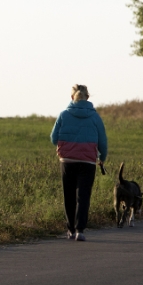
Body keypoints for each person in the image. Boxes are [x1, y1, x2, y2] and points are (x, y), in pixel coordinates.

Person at [50, 84, 108, 241]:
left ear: (72, 97)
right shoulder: (95, 117)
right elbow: (102, 140)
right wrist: (102, 157)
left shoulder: (63, 115)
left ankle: (70, 229)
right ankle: (80, 230)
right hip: (88, 162)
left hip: (67, 161)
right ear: (87, 98)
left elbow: (53, 138)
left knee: (68, 195)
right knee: (83, 196)